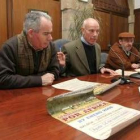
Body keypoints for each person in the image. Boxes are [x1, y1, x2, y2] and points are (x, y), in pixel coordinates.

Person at [0, 11, 59, 89]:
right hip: (18, 97)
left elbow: (55, 71)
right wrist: (39, 80)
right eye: (45, 34)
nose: (50, 38)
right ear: (31, 33)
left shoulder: (51, 46)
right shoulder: (10, 47)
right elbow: (3, 79)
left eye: (50, 33)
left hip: (45, 93)